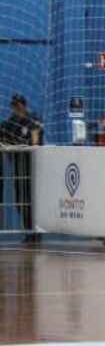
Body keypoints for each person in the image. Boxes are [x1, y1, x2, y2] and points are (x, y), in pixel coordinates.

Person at [0, 93, 43, 239]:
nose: (16, 108)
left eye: (18, 105)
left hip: (32, 166)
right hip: (19, 167)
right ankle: (29, 231)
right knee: (20, 200)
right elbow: (3, 137)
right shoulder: (10, 122)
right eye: (13, 106)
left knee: (33, 199)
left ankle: (36, 230)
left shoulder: (33, 120)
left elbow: (36, 138)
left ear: (24, 105)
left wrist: (34, 142)